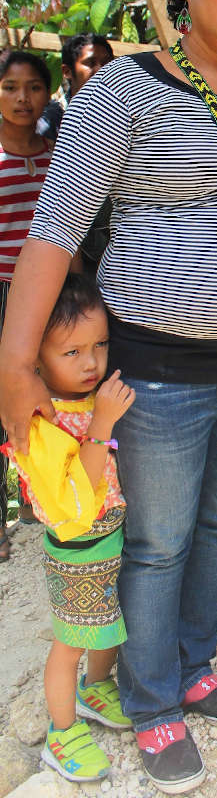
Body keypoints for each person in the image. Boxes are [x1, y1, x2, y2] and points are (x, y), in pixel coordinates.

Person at [0, 0, 217, 794]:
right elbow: (55, 227)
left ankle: (192, 664)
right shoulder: (123, 91)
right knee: (159, 540)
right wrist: (15, 364)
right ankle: (148, 700)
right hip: (159, 372)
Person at [2, 275, 135, 783]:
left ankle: (96, 689)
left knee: (108, 624)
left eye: (100, 344)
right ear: (35, 360)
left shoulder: (87, 399)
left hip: (110, 536)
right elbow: (73, 500)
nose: (91, 362)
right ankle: (61, 733)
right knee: (70, 641)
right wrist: (101, 424)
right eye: (72, 351)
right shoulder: (40, 421)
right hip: (77, 547)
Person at [0, 50, 53, 558]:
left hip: (54, 294)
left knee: (51, 391)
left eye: (34, 87)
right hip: (4, 292)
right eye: (10, 86)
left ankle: (40, 493)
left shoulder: (58, 151)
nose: (22, 98)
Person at [37, 33, 114, 141]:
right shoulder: (51, 120)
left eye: (107, 63)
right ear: (67, 71)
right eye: (91, 63)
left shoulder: (122, 117)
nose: (102, 70)